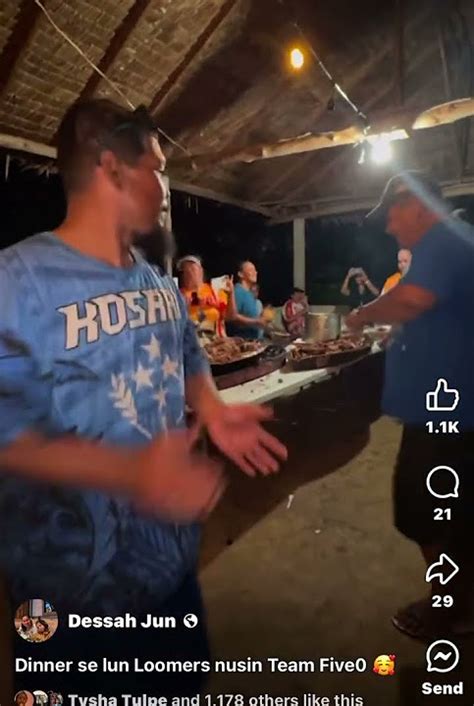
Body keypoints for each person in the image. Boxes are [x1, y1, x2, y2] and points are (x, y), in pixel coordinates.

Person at [0, 98, 287, 696]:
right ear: (112, 168)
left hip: (169, 569)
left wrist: (212, 408)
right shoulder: (17, 282)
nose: (164, 188)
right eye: (157, 169)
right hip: (69, 597)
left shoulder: (154, 279)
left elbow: (186, 350)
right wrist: (132, 472)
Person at [346, 171, 474, 641]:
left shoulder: (445, 239)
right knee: (456, 515)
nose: (388, 226)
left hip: (447, 417)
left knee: (426, 514)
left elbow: (413, 299)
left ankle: (450, 610)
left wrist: (361, 316)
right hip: (456, 413)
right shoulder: (457, 240)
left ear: (417, 204)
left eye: (392, 213)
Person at [178, 255, 236, 337]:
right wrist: (184, 309)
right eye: (185, 271)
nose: (189, 273)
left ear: (201, 271)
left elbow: (231, 316)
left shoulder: (214, 290)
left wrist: (231, 294)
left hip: (217, 341)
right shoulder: (178, 295)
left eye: (192, 269)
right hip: (191, 342)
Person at [226, 261, 266, 339]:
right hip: (240, 341)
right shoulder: (238, 291)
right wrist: (256, 322)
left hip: (252, 341)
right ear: (240, 274)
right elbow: (232, 317)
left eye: (255, 270)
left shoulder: (249, 294)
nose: (255, 273)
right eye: (251, 270)